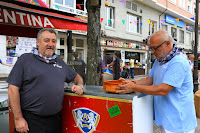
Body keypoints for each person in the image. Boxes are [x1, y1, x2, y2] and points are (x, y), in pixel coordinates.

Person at [116, 30, 197, 133]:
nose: (152, 52)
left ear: (168, 43)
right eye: (151, 48)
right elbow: (149, 80)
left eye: (155, 48)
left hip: (179, 121)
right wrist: (129, 83)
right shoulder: (160, 60)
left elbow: (163, 90)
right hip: (167, 118)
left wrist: (134, 87)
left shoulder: (178, 62)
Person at [7, 28, 84, 133]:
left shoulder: (60, 63)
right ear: (38, 42)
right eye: (46, 40)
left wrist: (80, 85)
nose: (50, 44)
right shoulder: (25, 59)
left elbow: (77, 77)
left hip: (55, 122)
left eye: (53, 41)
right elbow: (12, 89)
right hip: (30, 121)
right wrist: (18, 118)